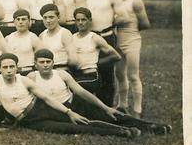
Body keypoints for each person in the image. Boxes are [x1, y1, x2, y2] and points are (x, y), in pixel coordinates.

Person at [0, 53, 141, 137]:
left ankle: (131, 130)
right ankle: (122, 132)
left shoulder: (25, 80)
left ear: (17, 68)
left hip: (41, 109)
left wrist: (69, 112)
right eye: (5, 67)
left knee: (79, 122)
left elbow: (46, 98)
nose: (9, 70)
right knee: (68, 129)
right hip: (30, 121)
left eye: (12, 67)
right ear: (0, 68)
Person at [27, 49, 171, 135]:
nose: (45, 65)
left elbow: (81, 92)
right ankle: (126, 131)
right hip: (58, 111)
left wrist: (105, 107)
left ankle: (152, 126)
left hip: (75, 104)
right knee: (89, 124)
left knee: (110, 115)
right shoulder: (31, 77)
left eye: (48, 62)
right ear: (35, 64)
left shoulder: (62, 74)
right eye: (41, 62)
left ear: (53, 63)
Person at [86, 0, 128, 106]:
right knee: (91, 69)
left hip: (107, 36)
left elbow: (123, 16)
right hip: (90, 38)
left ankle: (108, 106)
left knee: (107, 72)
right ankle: (93, 105)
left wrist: (110, 25)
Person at [114, 0, 151, 118]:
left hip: (132, 41)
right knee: (119, 75)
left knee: (133, 75)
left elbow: (146, 24)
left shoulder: (136, 0)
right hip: (117, 41)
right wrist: (118, 22)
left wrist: (131, 23)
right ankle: (122, 105)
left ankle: (137, 109)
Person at [72, 7, 121, 97]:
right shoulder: (72, 37)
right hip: (76, 74)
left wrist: (97, 63)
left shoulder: (94, 38)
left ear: (90, 20)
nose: (80, 22)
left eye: (83, 20)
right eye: (77, 20)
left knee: (73, 87)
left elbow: (116, 56)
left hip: (91, 75)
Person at [39, 4, 78, 72]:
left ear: (58, 17)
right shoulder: (42, 35)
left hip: (62, 69)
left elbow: (73, 59)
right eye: (45, 18)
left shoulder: (65, 33)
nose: (48, 21)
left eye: (51, 17)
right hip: (46, 72)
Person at [5, 9, 42, 76]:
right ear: (14, 22)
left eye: (23, 19)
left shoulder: (33, 38)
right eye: (18, 19)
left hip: (29, 72)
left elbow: (39, 60)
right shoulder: (8, 38)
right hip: (12, 73)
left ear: (29, 21)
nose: (20, 22)